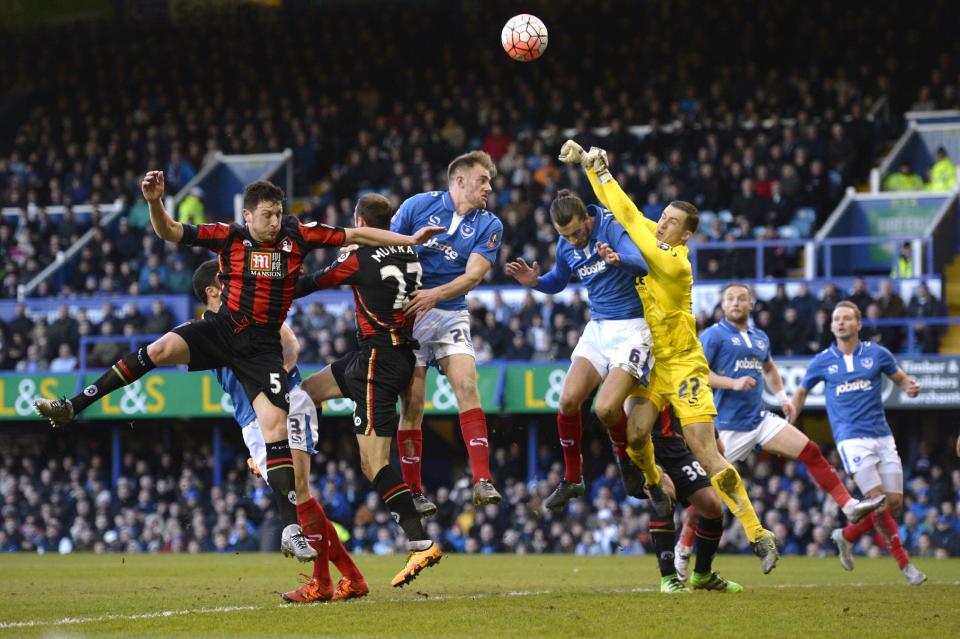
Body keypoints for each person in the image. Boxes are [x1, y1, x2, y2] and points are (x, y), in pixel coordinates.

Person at [34, 171, 442, 560]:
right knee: (157, 350)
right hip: (221, 330)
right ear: (247, 215)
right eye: (266, 215)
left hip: (261, 349)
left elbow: (357, 233)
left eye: (278, 213)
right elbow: (171, 231)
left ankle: (289, 529)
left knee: (276, 428)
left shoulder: (296, 236)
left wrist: (408, 238)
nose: (274, 221)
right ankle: (73, 405)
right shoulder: (228, 236)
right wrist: (156, 203)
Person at [560, 141, 779, 573]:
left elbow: (625, 215)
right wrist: (590, 169)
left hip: (683, 366)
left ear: (686, 235)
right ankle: (657, 486)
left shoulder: (675, 263)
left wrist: (598, 170)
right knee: (638, 436)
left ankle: (757, 532)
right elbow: (622, 211)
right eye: (662, 218)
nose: (662, 225)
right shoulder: (653, 237)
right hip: (651, 364)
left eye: (672, 223)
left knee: (705, 451)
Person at [674, 284, 886, 577]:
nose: (736, 303)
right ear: (722, 305)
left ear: (751, 303)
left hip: (759, 420)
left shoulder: (760, 337)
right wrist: (732, 383)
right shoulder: (713, 335)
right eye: (730, 299)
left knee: (810, 449)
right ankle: (683, 548)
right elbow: (697, 373)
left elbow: (770, 368)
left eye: (741, 298)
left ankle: (848, 505)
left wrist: (783, 397)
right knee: (706, 497)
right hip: (727, 427)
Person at [192, 260, 367, 603]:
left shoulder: (252, 311)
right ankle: (350, 578)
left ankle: (326, 582)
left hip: (280, 408)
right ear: (211, 291)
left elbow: (290, 344)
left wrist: (277, 392)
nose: (234, 281)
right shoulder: (207, 328)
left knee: (299, 495)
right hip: (253, 422)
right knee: (301, 497)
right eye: (224, 279)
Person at [297, 193, 443, 588]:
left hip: (378, 363)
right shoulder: (408, 254)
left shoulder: (358, 257)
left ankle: (420, 540)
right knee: (306, 392)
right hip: (381, 356)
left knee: (373, 464)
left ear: (360, 222)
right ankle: (299, 454)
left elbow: (314, 282)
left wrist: (272, 286)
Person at [505, 189, 654, 510]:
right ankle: (573, 478)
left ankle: (625, 460)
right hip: (598, 329)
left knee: (604, 409)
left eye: (576, 232)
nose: (572, 240)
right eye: (564, 235)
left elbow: (641, 265)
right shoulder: (565, 245)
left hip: (632, 328)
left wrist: (618, 259)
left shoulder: (610, 227)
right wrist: (536, 282)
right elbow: (558, 280)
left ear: (587, 218)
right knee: (569, 400)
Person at [389, 150, 504, 514]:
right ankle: (413, 492)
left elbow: (472, 276)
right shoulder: (417, 206)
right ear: (460, 181)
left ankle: (482, 480)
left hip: (449, 311)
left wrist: (435, 294)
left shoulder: (490, 224)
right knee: (414, 405)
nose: (489, 187)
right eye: (483, 180)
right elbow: (386, 247)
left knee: (468, 386)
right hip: (409, 312)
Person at [790, 301, 926, 585]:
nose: (840, 322)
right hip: (851, 440)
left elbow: (901, 379)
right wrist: (791, 418)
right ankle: (906, 566)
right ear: (831, 326)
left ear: (858, 324)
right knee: (876, 501)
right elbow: (802, 391)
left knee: (894, 502)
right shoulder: (823, 361)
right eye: (836, 319)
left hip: (882, 434)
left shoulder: (877, 354)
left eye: (847, 318)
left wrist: (910, 387)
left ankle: (846, 535)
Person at [643, 407, 740, 594]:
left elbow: (695, 410)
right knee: (664, 493)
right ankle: (669, 578)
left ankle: (703, 574)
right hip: (644, 445)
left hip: (675, 447)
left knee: (712, 506)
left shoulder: (688, 383)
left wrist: (715, 446)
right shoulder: (643, 379)